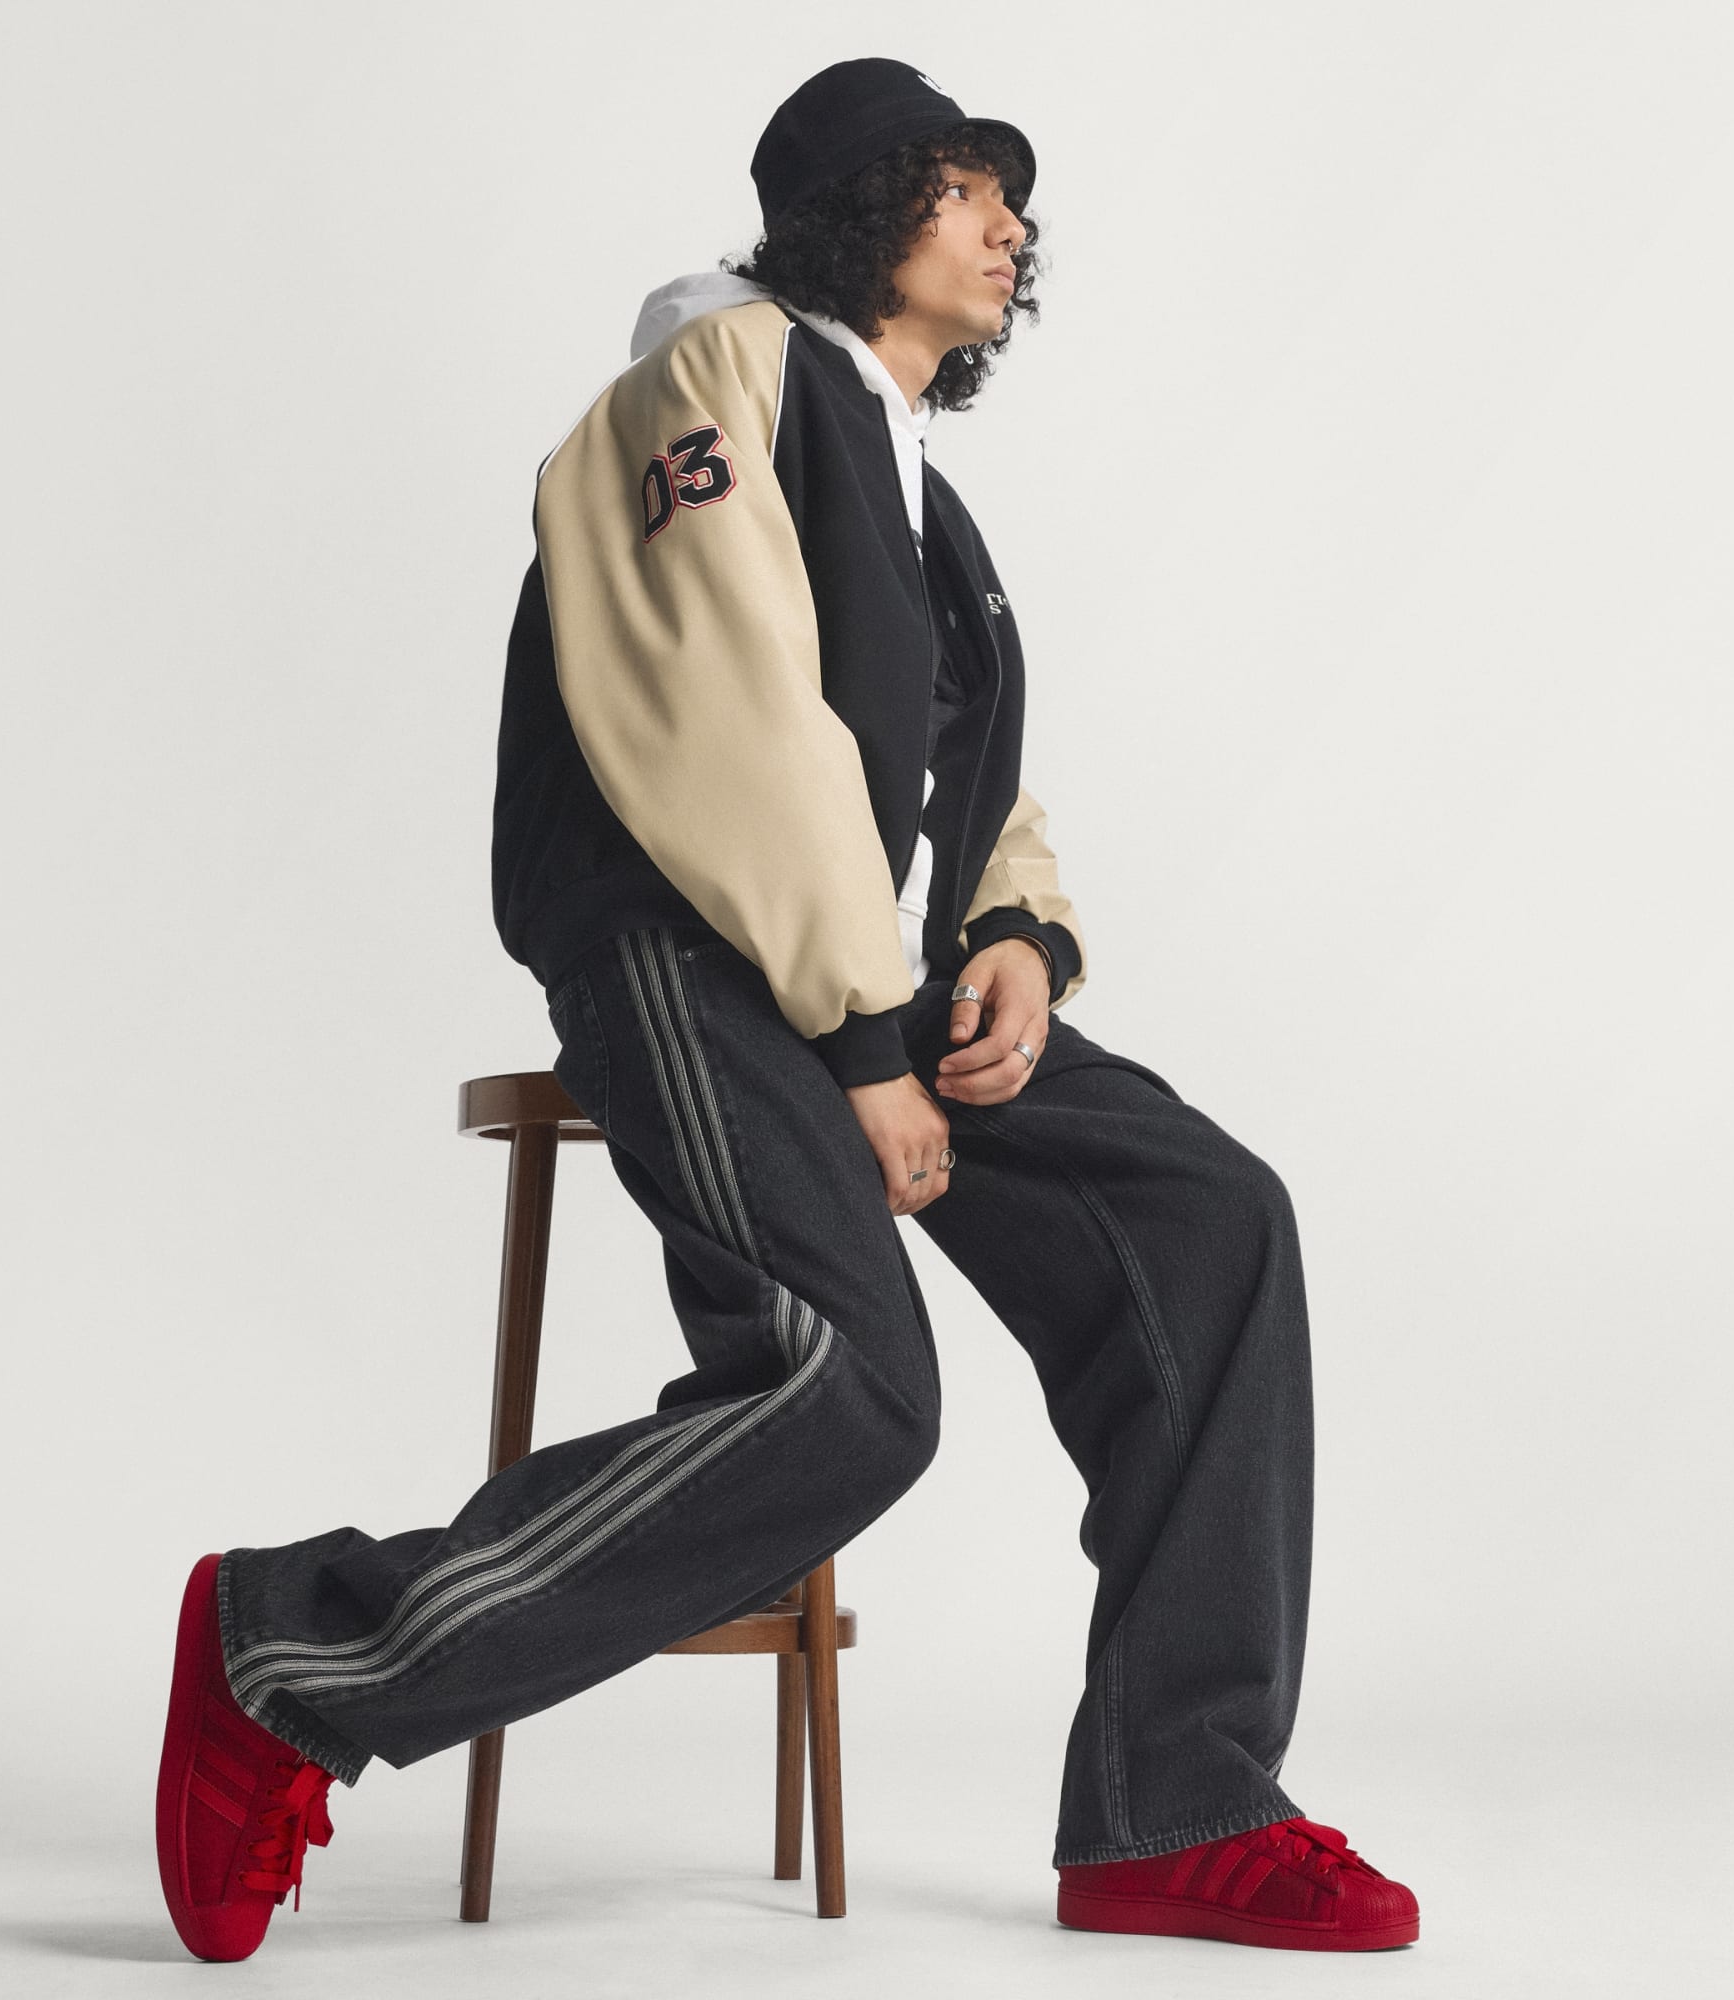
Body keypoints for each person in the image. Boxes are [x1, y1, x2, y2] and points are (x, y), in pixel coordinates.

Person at [154, 56, 1421, 1963]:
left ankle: (1181, 1801)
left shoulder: (922, 499)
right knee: (847, 1390)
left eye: (1014, 199)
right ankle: (293, 1654)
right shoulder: (710, 380)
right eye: (965, 186)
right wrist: (859, 1042)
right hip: (685, 949)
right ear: (858, 203)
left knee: (1213, 1222)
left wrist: (1018, 942)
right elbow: (733, 721)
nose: (1010, 226)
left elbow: (960, 790)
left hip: (865, 982)